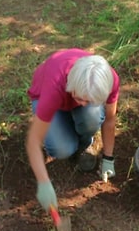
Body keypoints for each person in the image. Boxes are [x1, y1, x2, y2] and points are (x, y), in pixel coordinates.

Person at [26, 48, 120, 215]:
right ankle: (65, 129)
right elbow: (33, 140)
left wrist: (108, 157)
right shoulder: (53, 88)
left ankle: (84, 143)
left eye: (89, 100)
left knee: (92, 115)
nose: (84, 104)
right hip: (48, 95)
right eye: (80, 99)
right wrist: (44, 182)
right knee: (62, 149)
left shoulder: (108, 79)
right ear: (70, 86)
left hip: (69, 93)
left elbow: (110, 120)